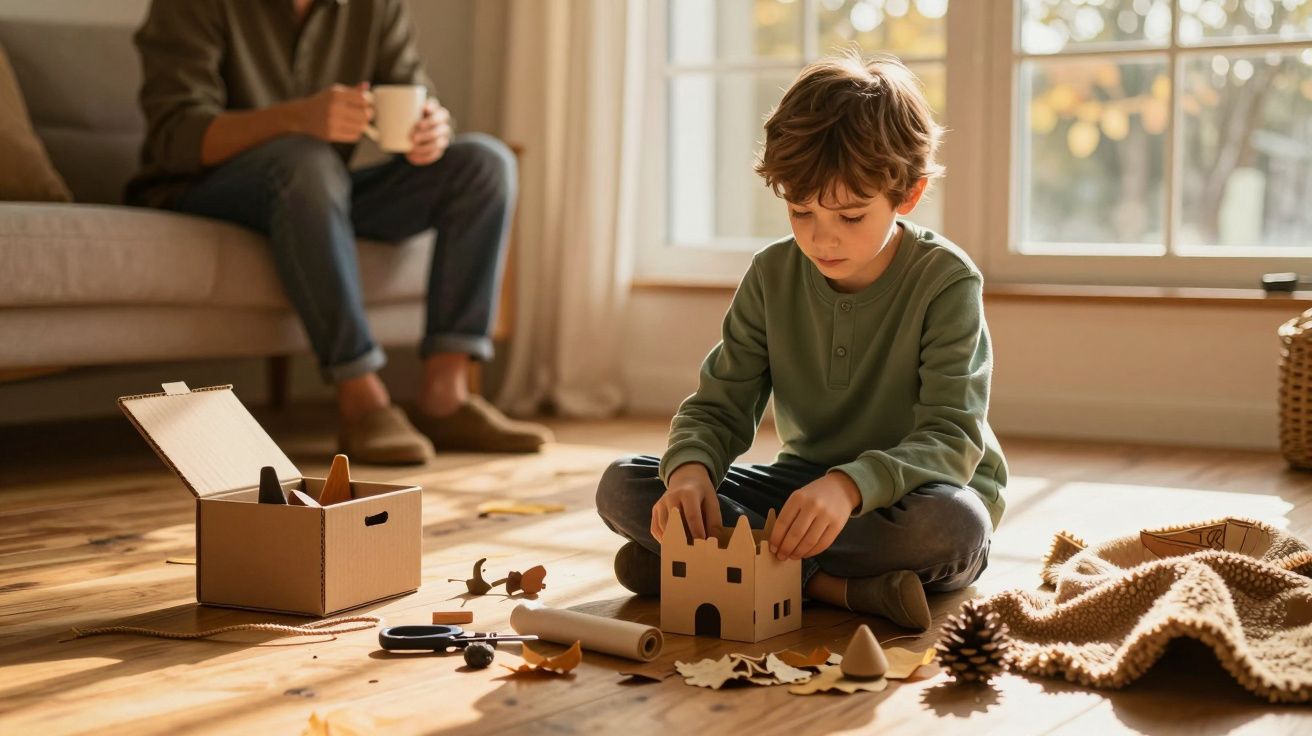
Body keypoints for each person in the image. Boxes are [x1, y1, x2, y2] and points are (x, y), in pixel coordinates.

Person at [594, 53, 1007, 631]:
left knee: (954, 527)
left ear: (906, 197)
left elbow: (951, 437)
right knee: (624, 485)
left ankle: (706, 567)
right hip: (801, 487)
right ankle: (838, 589)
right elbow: (720, 406)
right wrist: (689, 475)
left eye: (851, 216)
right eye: (800, 209)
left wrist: (849, 487)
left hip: (912, 495)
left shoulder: (946, 281)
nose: (822, 237)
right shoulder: (771, 274)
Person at [127, 0, 552, 464]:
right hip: (206, 188)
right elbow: (176, 136)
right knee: (307, 160)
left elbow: (412, 96)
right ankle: (361, 398)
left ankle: (446, 398)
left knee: (484, 163)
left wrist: (431, 130)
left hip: (315, 189)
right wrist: (294, 117)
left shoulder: (375, 7)